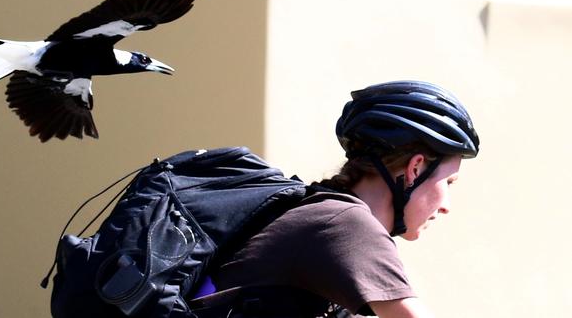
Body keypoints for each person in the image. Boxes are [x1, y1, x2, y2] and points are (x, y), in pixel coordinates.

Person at [190, 80, 480, 318]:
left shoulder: (324, 215)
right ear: (415, 168)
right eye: (449, 182)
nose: (446, 207)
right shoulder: (346, 225)